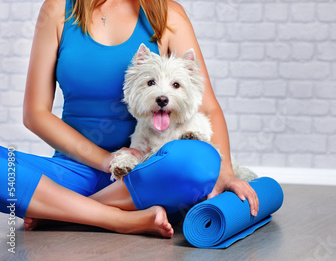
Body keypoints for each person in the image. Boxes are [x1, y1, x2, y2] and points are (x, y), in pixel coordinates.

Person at [0, 0, 258, 238]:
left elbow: (207, 107)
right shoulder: (57, 10)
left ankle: (59, 210)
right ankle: (117, 218)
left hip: (147, 170)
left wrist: (224, 172)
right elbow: (35, 114)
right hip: (73, 172)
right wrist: (105, 160)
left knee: (198, 160)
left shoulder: (168, 15)